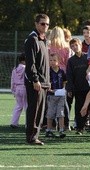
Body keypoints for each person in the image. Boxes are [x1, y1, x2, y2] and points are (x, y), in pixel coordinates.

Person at [24, 13, 50, 145]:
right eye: (42, 24)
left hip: (44, 82)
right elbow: (30, 63)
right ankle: (31, 137)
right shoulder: (32, 40)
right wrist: (35, 80)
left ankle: (35, 136)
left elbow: (45, 64)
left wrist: (47, 81)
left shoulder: (43, 39)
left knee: (40, 111)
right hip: (36, 82)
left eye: (47, 24)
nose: (45, 26)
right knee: (34, 110)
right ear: (36, 24)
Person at [66, 38, 90, 135]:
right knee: (79, 108)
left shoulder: (87, 57)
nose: (75, 47)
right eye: (72, 46)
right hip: (78, 88)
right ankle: (80, 127)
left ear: (80, 45)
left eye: (76, 45)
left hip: (89, 88)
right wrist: (70, 88)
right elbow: (69, 75)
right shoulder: (71, 61)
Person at [45, 54, 66, 138]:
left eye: (54, 60)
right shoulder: (48, 72)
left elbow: (65, 81)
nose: (52, 62)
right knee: (50, 113)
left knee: (61, 113)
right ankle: (49, 130)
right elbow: (47, 83)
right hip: (51, 96)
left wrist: (64, 89)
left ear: (58, 62)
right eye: (50, 60)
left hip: (60, 96)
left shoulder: (61, 71)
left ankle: (61, 130)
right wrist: (50, 89)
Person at [10, 53, 27, 128]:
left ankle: (14, 122)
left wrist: (13, 90)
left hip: (17, 89)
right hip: (24, 88)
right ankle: (28, 123)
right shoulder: (26, 68)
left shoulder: (15, 69)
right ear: (24, 61)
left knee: (18, 106)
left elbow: (12, 81)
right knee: (27, 106)